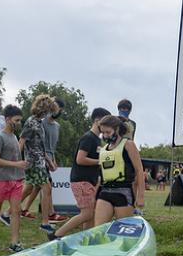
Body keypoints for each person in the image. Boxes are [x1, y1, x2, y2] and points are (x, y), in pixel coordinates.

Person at [49, 107, 111, 240]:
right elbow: (80, 159)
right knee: (87, 214)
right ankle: (56, 234)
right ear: (97, 120)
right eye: (105, 123)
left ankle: (87, 239)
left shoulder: (97, 140)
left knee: (90, 213)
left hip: (90, 181)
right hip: (81, 180)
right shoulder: (88, 138)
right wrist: (99, 161)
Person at [0, 105, 28, 251]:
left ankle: (15, 243)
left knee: (16, 210)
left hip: (15, 180)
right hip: (0, 179)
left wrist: (21, 165)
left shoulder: (15, 137)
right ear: (8, 119)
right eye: (17, 120)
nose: (19, 123)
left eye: (20, 120)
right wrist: (16, 164)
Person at [93, 115, 145, 226]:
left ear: (116, 129)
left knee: (123, 230)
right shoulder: (104, 149)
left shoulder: (128, 145)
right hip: (105, 192)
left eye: (108, 132)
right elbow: (101, 176)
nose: (105, 135)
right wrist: (94, 195)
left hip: (123, 192)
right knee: (98, 229)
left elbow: (139, 171)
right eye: (103, 132)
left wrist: (140, 196)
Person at [20, 97, 65, 223]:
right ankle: (48, 217)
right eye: (54, 108)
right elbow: (23, 141)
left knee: (34, 187)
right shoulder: (35, 122)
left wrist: (51, 160)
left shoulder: (51, 125)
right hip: (35, 161)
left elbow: (46, 146)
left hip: (43, 159)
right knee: (45, 187)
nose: (56, 111)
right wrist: (16, 160)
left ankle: (18, 211)